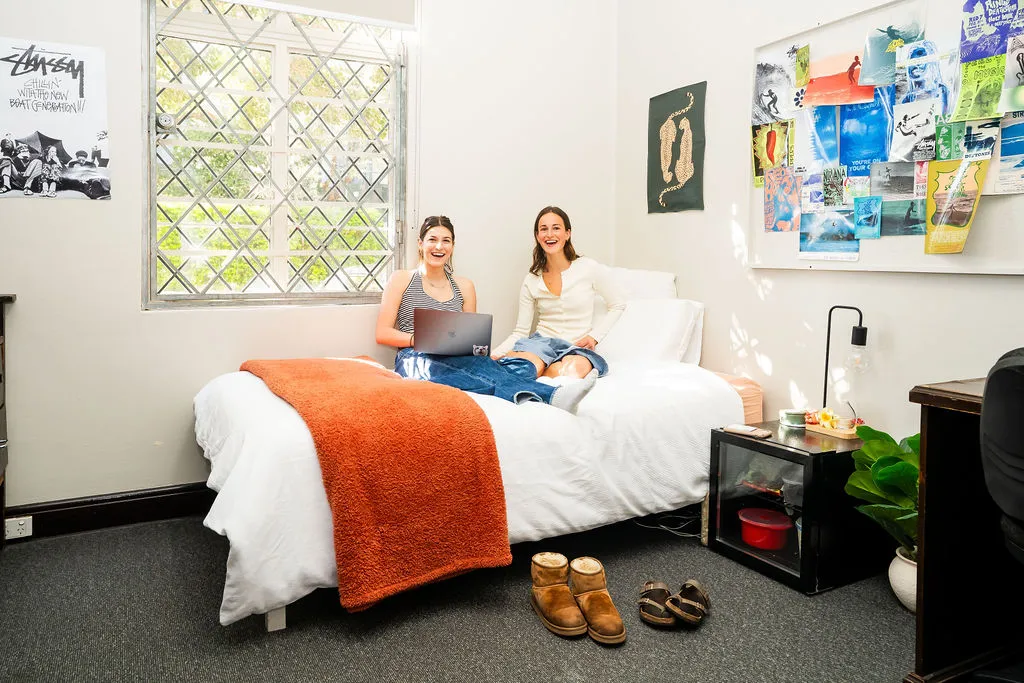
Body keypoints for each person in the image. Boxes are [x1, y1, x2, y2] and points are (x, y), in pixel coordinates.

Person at [375, 215, 597, 413]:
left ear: (452, 246)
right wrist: (419, 339)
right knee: (439, 368)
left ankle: (504, 377)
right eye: (433, 239)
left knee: (491, 366)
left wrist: (481, 354)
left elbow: (470, 340)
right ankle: (552, 395)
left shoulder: (464, 286)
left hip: (457, 358)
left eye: (446, 241)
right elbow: (382, 333)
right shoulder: (402, 279)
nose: (439, 246)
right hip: (415, 357)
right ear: (421, 243)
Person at [492, 206, 625, 383]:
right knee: (525, 368)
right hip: (540, 344)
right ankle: (531, 369)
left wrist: (594, 337)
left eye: (556, 228)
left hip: (575, 347)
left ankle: (540, 373)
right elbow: (521, 331)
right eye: (543, 229)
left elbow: (618, 304)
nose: (549, 234)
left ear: (567, 233)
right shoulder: (532, 279)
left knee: (573, 371)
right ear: (537, 236)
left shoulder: (588, 268)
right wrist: (493, 355)